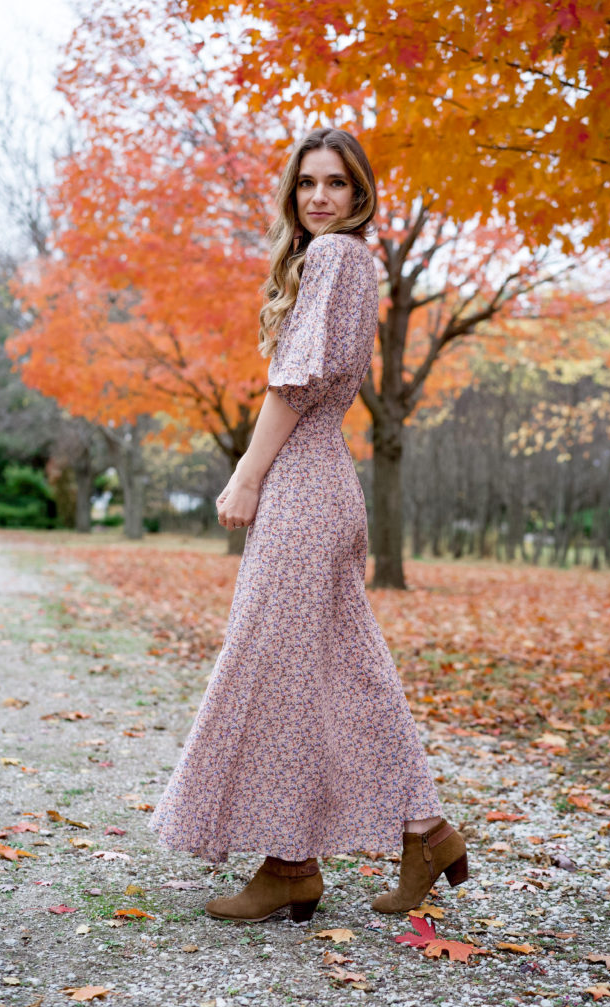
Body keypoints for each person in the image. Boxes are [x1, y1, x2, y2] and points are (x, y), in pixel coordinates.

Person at [148, 127, 467, 923]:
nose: (319, 196)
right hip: (325, 484)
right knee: (328, 670)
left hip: (301, 485)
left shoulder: (333, 258)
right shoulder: (350, 264)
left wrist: (246, 474)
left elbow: (292, 387)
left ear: (359, 195)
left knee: (270, 666)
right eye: (306, 184)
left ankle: (323, 855)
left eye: (336, 183)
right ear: (292, 194)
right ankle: (379, 842)